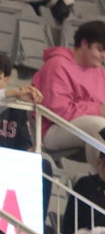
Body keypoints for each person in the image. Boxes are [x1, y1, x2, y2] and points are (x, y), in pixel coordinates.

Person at [34, 19, 105, 165]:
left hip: (80, 125)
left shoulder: (99, 71)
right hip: (50, 129)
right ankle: (97, 181)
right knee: (100, 127)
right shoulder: (57, 64)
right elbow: (58, 112)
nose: (104, 55)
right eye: (100, 49)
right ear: (84, 44)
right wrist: (97, 109)